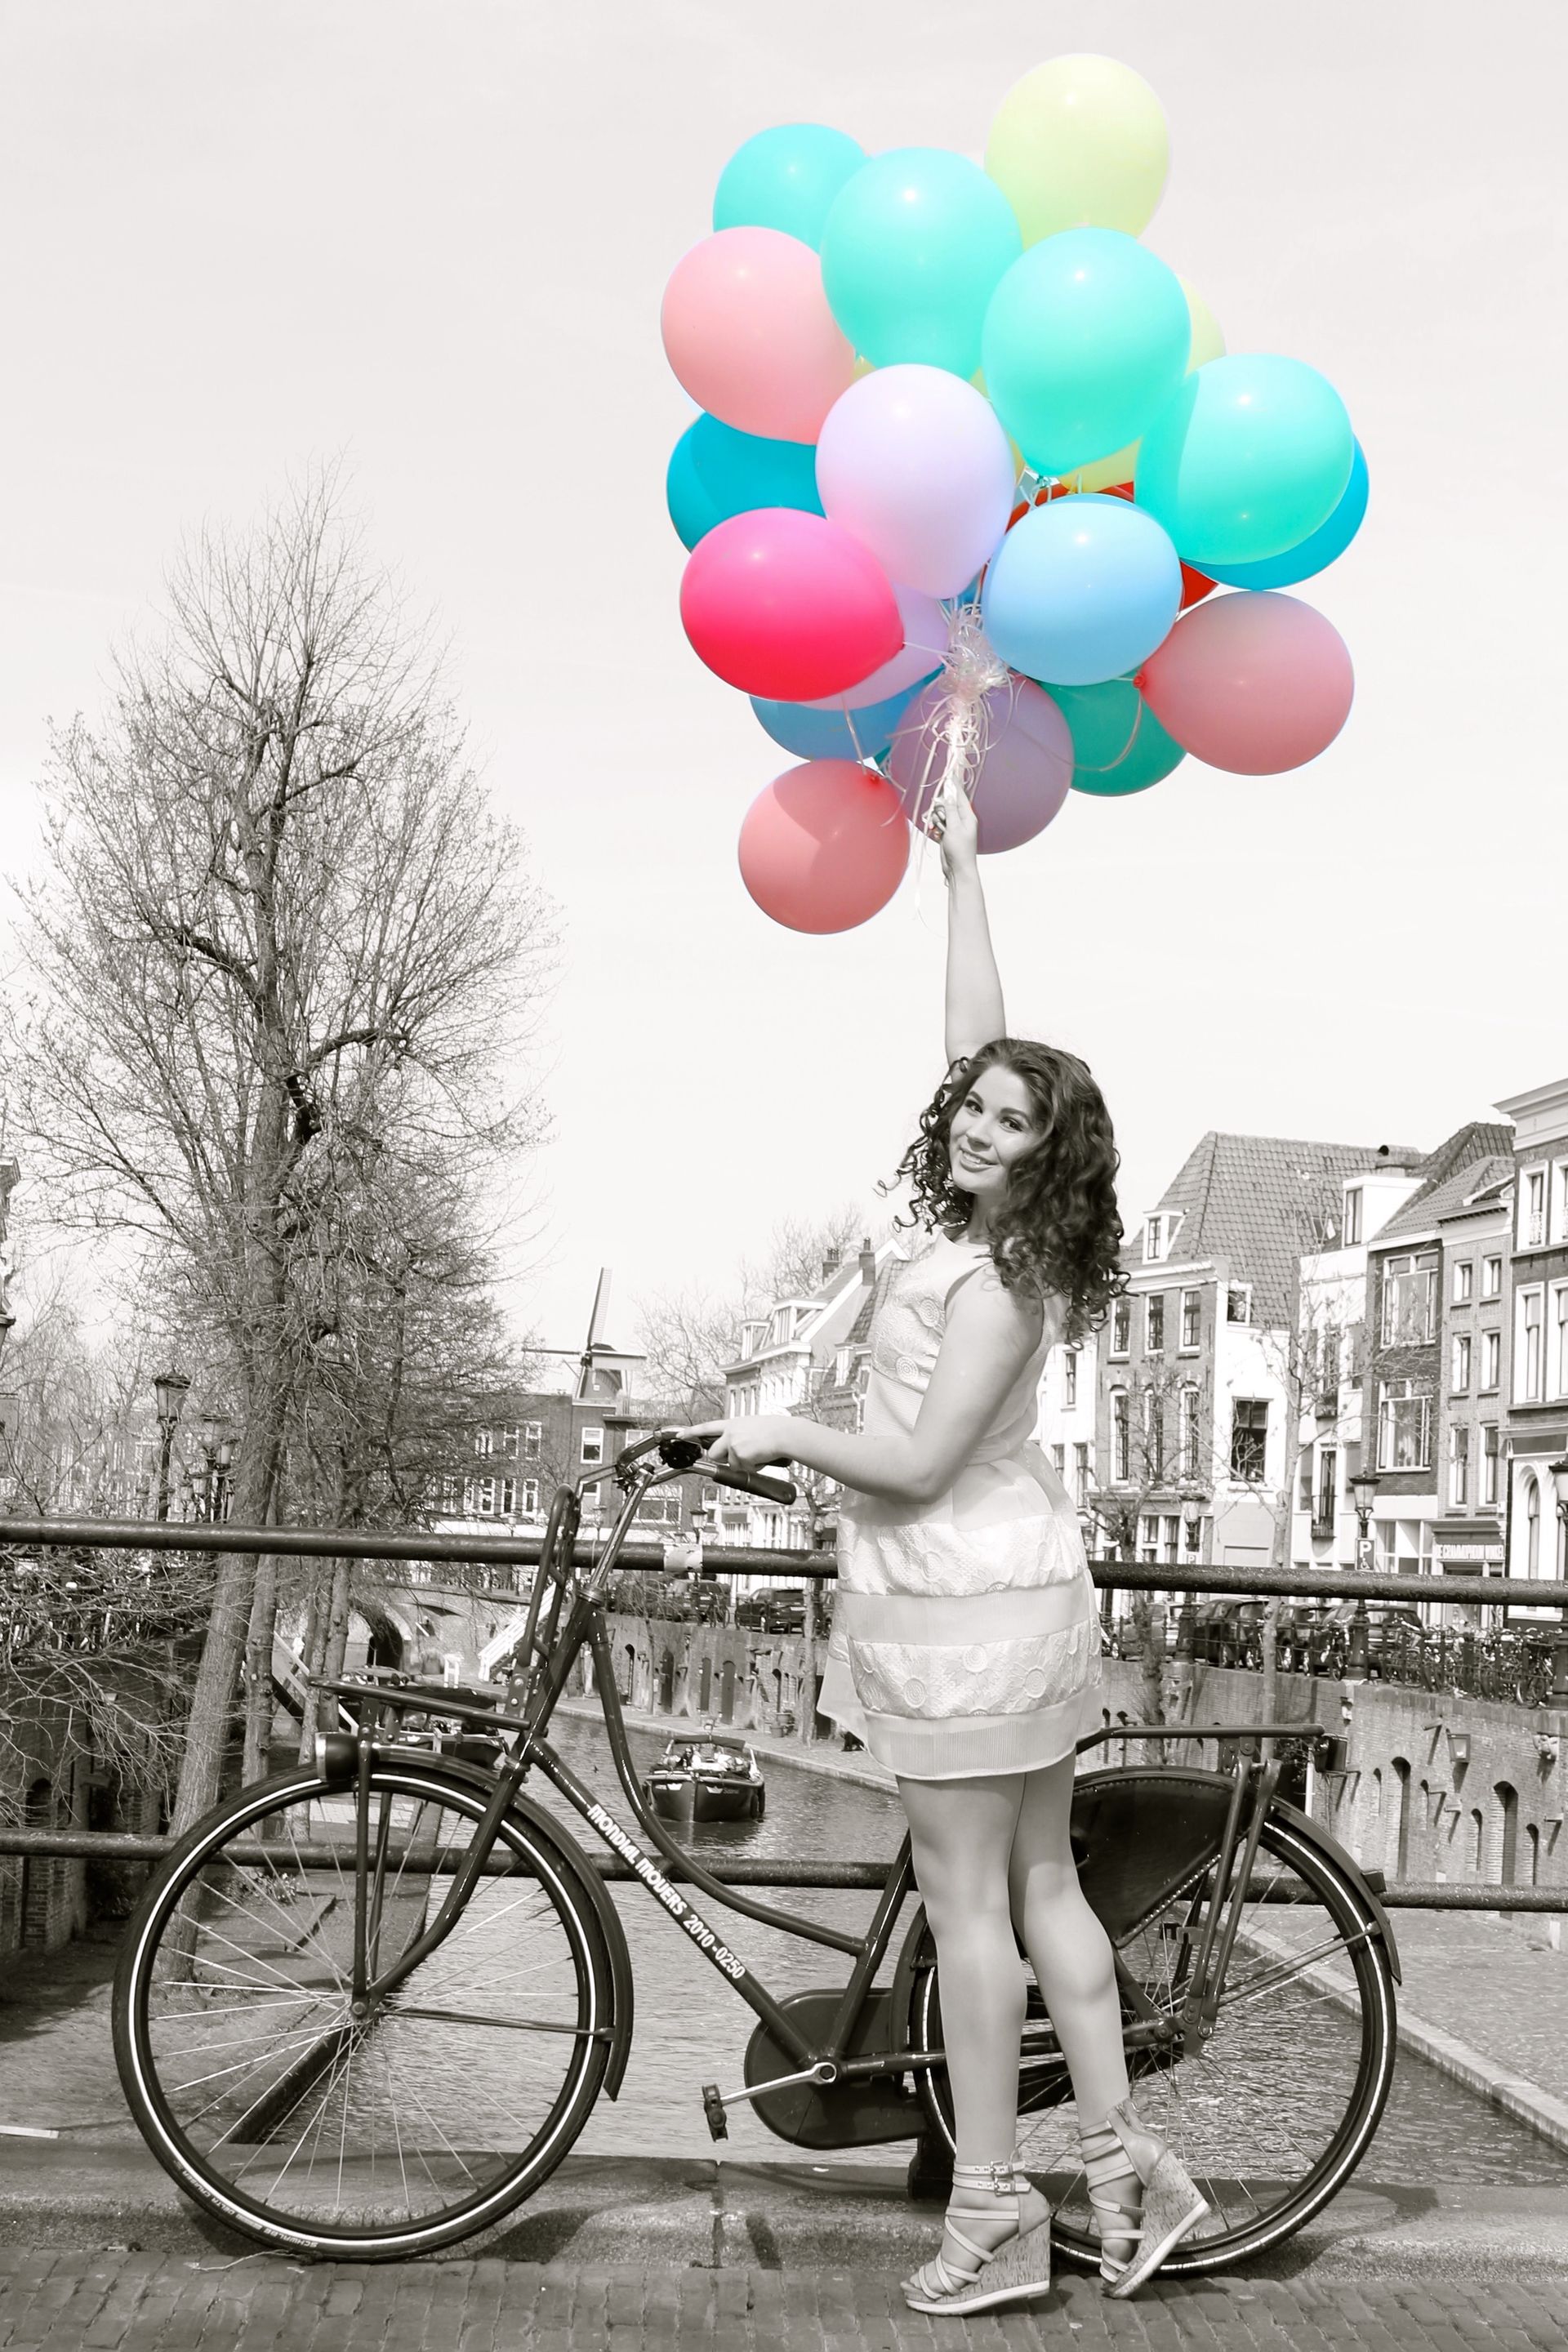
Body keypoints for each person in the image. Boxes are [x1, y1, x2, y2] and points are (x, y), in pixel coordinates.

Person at [678, 781, 1206, 2315]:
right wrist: (965, 869)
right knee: (1043, 1891)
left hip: (959, 1602)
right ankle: (1126, 2170)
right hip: (998, 1590)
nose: (976, 1123)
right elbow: (980, 1029)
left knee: (979, 1912)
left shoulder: (999, 1283)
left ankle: (994, 2213)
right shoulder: (993, 1241)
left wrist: (782, 1433)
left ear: (1051, 1155)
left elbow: (912, 1466)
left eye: (1009, 1121)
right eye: (973, 1107)